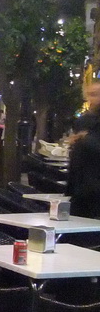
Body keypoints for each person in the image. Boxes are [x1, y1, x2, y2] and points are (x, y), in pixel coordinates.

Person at [66, 80, 100, 218]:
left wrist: (85, 140)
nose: (93, 98)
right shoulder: (84, 120)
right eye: (90, 94)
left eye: (96, 94)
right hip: (81, 190)